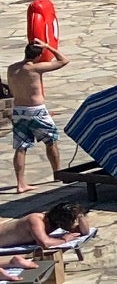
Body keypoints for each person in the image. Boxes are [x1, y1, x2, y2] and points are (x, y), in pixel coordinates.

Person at [7, 40, 68, 194]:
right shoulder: (35, 68)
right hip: (36, 111)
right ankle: (57, 174)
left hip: (19, 110)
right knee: (51, 141)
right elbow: (63, 61)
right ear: (38, 55)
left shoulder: (12, 68)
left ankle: (20, 184)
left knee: (21, 147)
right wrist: (47, 47)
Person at [0, 202, 90, 258]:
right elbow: (44, 243)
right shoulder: (35, 220)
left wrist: (80, 214)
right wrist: (64, 239)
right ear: (60, 222)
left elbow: (84, 232)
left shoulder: (53, 221)